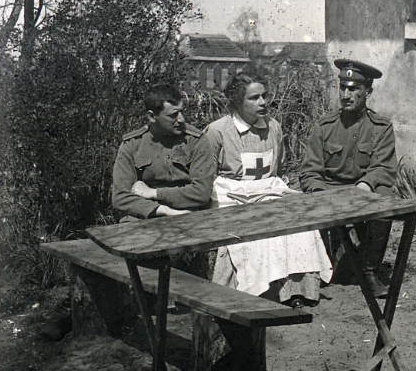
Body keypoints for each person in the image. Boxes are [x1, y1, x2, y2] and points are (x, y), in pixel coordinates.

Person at [205, 73, 332, 308]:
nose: (263, 102)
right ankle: (252, 290)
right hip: (232, 198)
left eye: (264, 96)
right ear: (237, 101)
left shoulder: (273, 127)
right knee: (253, 229)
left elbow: (278, 169)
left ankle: (296, 290)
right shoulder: (218, 131)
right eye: (254, 98)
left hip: (269, 193)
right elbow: (207, 176)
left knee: (298, 223)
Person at [298, 59, 397, 297]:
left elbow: (383, 168)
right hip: (330, 190)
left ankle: (369, 272)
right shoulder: (325, 126)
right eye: (342, 88)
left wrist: (364, 185)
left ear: (367, 92)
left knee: (385, 200)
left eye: (353, 89)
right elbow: (310, 171)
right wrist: (320, 193)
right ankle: (320, 268)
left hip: (362, 191)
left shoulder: (381, 127)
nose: (345, 95)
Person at [112, 83, 215, 219]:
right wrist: (165, 210)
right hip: (144, 216)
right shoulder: (132, 144)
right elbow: (120, 197)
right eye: (173, 115)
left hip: (188, 213)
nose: (181, 119)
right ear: (151, 117)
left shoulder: (196, 141)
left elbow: (202, 192)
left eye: (181, 111)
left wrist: (153, 193)